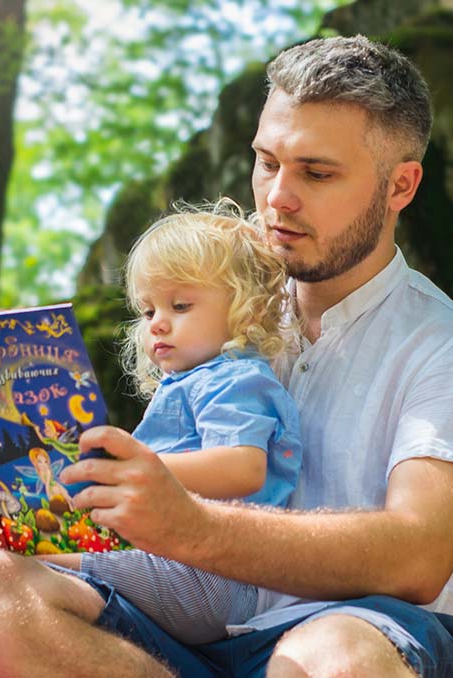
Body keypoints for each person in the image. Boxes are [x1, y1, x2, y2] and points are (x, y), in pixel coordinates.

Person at [0, 35, 453, 677]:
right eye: (267, 162)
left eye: (316, 172)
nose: (278, 195)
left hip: (364, 637)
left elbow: (418, 554)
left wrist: (188, 524)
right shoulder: (218, 306)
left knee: (334, 658)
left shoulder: (452, 348)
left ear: (400, 186)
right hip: (179, 639)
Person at [40, 201, 302, 645]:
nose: (158, 324)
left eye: (179, 305)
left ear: (247, 309)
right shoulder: (196, 380)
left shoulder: (235, 377)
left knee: (26, 562)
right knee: (19, 563)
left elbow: (244, 468)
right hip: (178, 561)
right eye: (147, 312)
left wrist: (137, 468)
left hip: (213, 574)